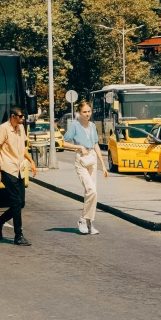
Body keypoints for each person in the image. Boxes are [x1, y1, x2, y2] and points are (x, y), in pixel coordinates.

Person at [0, 107, 37, 246]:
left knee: (21, 203)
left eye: (23, 116)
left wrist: (31, 161)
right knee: (16, 202)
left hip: (19, 170)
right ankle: (18, 236)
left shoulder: (21, 128)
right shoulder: (3, 128)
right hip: (7, 169)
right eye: (21, 116)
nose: (23, 119)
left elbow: (22, 149)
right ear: (13, 116)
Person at [62, 100, 108, 235]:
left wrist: (103, 165)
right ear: (79, 113)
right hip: (81, 160)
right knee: (91, 190)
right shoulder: (74, 126)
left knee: (93, 193)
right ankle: (82, 220)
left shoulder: (93, 126)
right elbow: (64, 143)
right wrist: (79, 147)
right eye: (84, 112)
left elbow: (95, 145)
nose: (87, 114)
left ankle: (89, 224)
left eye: (89, 111)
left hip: (92, 159)